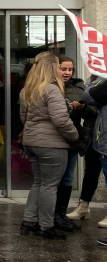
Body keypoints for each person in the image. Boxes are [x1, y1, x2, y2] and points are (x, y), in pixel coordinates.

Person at [18, 52, 78, 240]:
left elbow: (23, 117)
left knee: (39, 183)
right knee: (50, 186)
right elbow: (61, 119)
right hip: (52, 145)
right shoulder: (52, 90)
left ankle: (29, 222)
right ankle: (46, 226)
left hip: (31, 142)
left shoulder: (26, 89)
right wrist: (74, 135)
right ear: (52, 68)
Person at [53, 55, 92, 231]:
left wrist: (83, 108)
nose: (67, 72)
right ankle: (49, 215)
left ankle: (61, 214)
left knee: (68, 177)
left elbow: (93, 112)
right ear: (55, 68)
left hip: (73, 138)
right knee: (53, 179)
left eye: (70, 69)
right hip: (53, 139)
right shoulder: (49, 87)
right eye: (63, 68)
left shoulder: (79, 86)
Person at [77, 76, 107, 231]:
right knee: (91, 172)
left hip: (103, 138)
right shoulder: (95, 80)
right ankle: (83, 205)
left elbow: (88, 96)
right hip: (95, 136)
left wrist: (92, 85)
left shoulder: (103, 81)